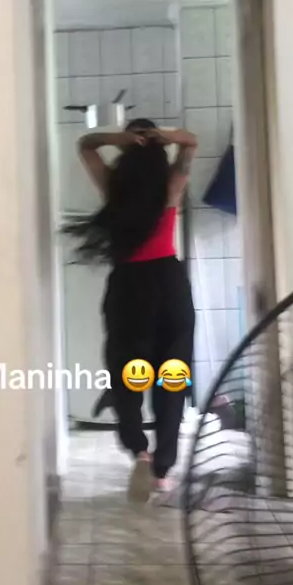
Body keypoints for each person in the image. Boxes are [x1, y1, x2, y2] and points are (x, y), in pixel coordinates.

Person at [65, 118, 197, 501]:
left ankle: (139, 449)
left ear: (125, 150)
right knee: (172, 374)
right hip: (169, 284)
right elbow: (191, 143)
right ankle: (163, 469)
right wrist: (165, 137)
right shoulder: (171, 186)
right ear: (159, 152)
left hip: (128, 286)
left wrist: (119, 138)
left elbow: (86, 144)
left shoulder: (115, 188)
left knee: (127, 371)